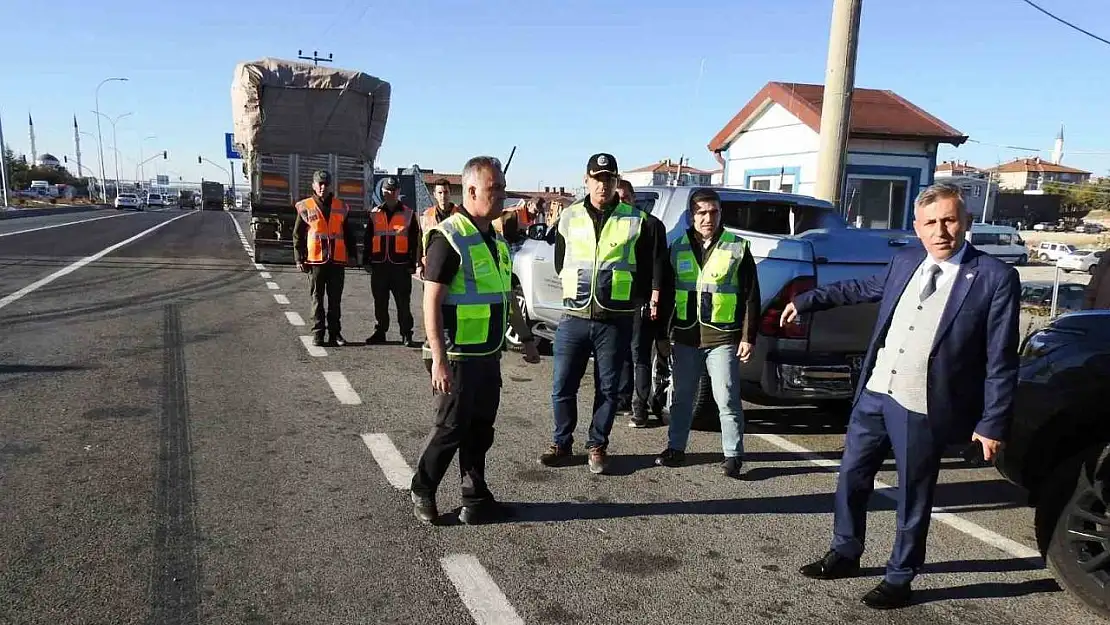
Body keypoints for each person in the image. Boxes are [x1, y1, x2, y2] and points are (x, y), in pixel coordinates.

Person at [783, 182, 1020, 609]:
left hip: (923, 404)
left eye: (949, 220)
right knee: (852, 477)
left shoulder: (995, 278)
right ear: (917, 227)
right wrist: (808, 300)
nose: (941, 231)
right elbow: (858, 289)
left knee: (913, 494)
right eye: (930, 222)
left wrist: (992, 422)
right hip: (875, 392)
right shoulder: (907, 259)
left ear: (965, 222)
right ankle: (845, 551)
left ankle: (900, 575)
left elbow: (1001, 358)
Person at [410, 156, 541, 525]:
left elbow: (506, 293)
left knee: (481, 429)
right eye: (493, 188)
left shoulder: (494, 240)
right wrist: (438, 359)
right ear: (470, 191)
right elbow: (430, 301)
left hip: (486, 352)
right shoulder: (448, 237)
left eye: (501, 187)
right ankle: (423, 487)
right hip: (454, 353)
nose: (500, 195)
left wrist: (526, 339)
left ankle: (475, 497)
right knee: (451, 428)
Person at [539, 153, 665, 474]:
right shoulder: (569, 216)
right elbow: (560, 260)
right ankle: (561, 442)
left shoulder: (636, 220)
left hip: (615, 318)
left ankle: (597, 444)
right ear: (587, 180)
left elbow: (651, 264)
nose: (603, 185)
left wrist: (640, 296)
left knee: (608, 389)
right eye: (597, 178)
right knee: (562, 385)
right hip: (575, 316)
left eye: (609, 179)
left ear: (615, 181)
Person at [657, 189, 759, 477]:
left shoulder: (737, 247)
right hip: (686, 337)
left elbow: (751, 295)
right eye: (701, 212)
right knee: (681, 397)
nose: (708, 218)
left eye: (713, 212)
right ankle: (675, 449)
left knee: (726, 397)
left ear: (720, 214)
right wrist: (662, 335)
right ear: (692, 215)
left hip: (723, 338)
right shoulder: (676, 248)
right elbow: (665, 296)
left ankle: (733, 455)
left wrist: (748, 336)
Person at [615, 179, 670, 427]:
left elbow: (659, 263)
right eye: (617, 198)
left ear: (634, 198)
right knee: (621, 351)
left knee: (639, 353)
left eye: (625, 197)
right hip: (616, 299)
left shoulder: (651, 224)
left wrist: (655, 296)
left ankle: (640, 408)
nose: (621, 202)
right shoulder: (611, 226)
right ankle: (622, 399)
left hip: (642, 298)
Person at [292, 169, 358, 347]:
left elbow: (348, 233)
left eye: (325, 184)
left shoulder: (341, 206)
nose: (322, 187)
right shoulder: (305, 206)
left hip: (336, 261)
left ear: (330, 186)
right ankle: (318, 334)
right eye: (319, 184)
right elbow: (297, 235)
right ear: (313, 185)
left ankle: (335, 334)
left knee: (335, 300)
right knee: (317, 299)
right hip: (315, 261)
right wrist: (299, 258)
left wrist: (353, 255)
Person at [363, 177, 421, 347]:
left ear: (398, 192)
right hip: (379, 264)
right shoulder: (374, 213)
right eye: (388, 190)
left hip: (400, 266)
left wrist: (413, 263)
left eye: (394, 190)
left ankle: (406, 334)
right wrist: (366, 260)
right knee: (380, 302)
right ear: (383, 192)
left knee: (403, 303)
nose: (391, 193)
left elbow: (414, 241)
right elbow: (368, 239)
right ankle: (380, 331)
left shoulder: (408, 213)